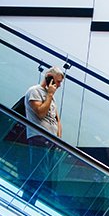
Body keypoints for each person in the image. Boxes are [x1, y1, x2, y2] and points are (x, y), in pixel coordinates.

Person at [22, 67, 64, 203]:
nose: (59, 85)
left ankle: (31, 200)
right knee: (39, 173)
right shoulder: (34, 91)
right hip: (39, 138)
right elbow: (40, 112)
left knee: (45, 175)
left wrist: (58, 139)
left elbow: (57, 119)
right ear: (49, 77)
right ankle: (27, 201)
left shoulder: (52, 98)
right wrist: (49, 95)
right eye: (57, 81)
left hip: (51, 141)